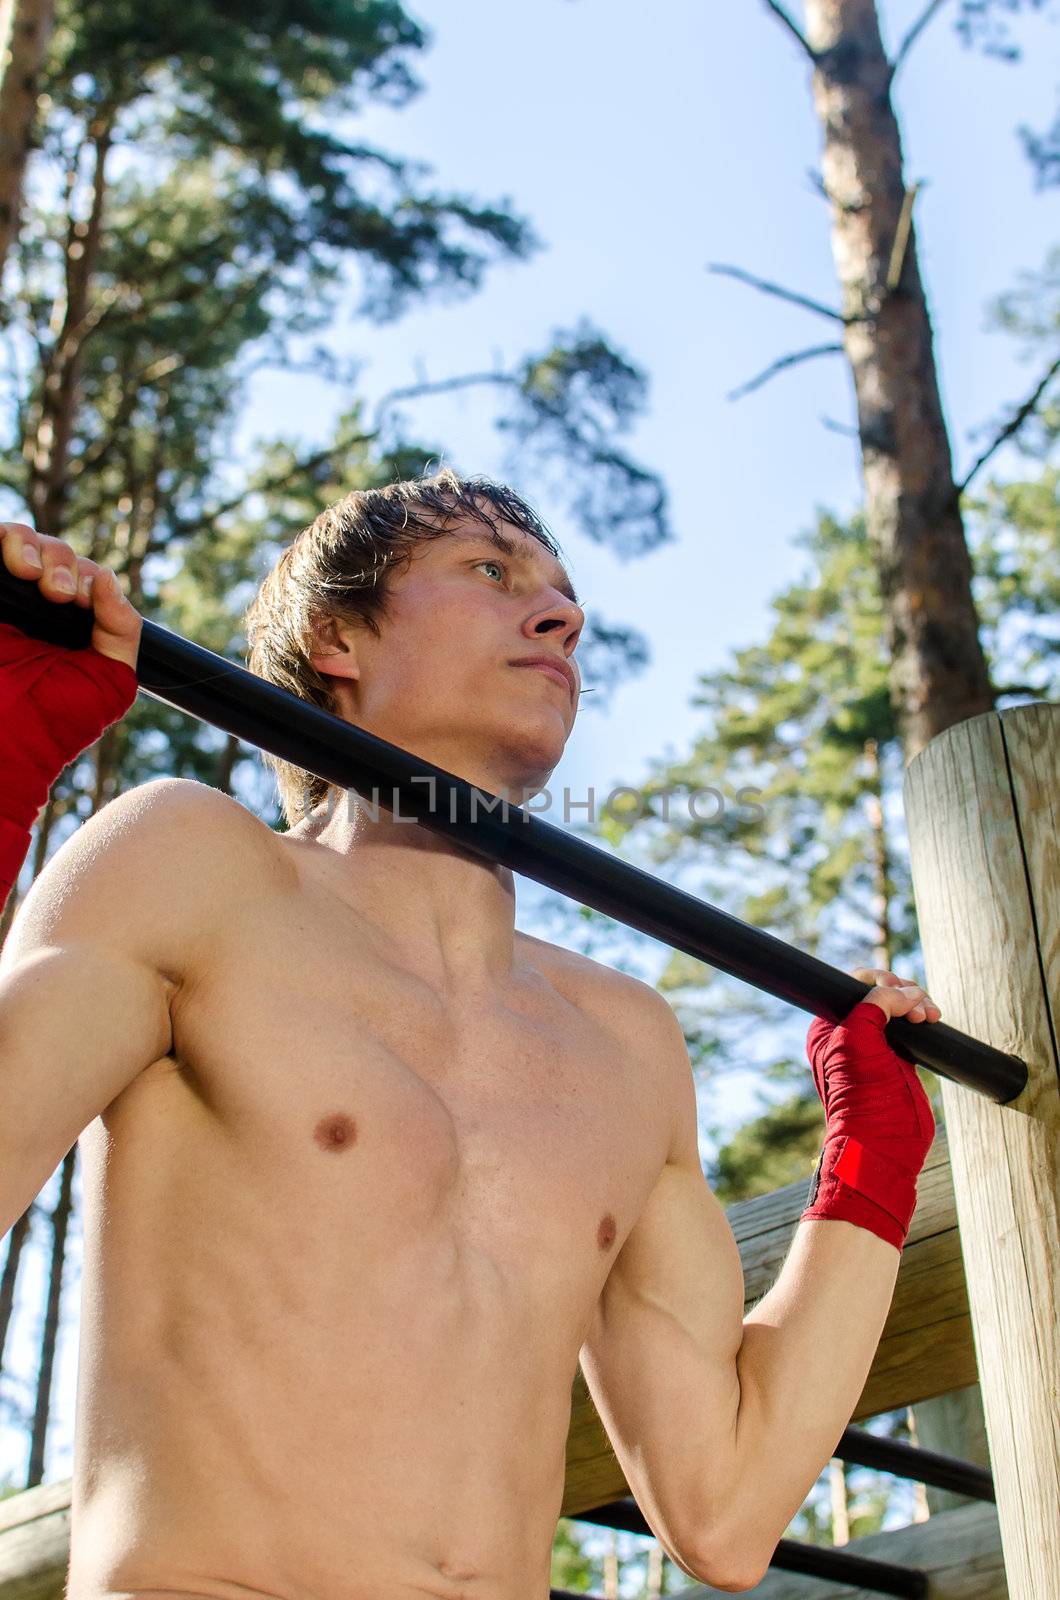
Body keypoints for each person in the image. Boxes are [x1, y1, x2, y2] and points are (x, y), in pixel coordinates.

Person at [0, 470, 938, 1600]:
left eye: (562, 594)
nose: (561, 615)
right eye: (492, 572)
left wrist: (869, 1162)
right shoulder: (196, 868)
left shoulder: (624, 1040)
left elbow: (725, 1511)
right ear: (334, 635)